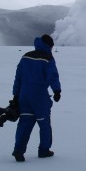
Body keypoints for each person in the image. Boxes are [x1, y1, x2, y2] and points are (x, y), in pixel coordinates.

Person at [11, 34, 62, 162]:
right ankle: (44, 150)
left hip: (24, 96)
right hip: (40, 97)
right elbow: (52, 76)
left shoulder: (25, 56)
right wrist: (57, 91)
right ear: (49, 45)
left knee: (24, 124)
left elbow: (18, 77)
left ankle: (19, 151)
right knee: (44, 124)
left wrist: (16, 95)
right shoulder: (48, 58)